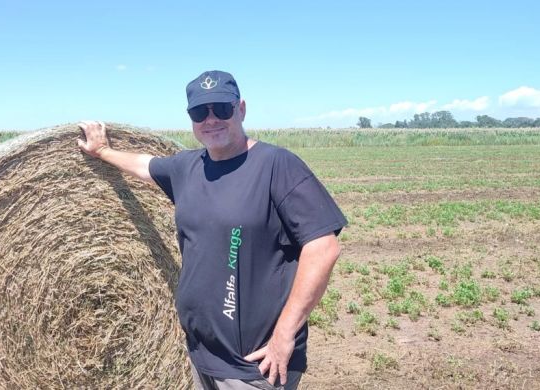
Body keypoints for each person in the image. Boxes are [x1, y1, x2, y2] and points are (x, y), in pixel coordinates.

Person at [77, 70, 347, 390]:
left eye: (222, 109)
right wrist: (103, 152)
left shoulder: (277, 165)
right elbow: (144, 165)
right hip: (202, 355)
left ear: (241, 109)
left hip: (253, 365)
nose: (211, 120)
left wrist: (284, 335)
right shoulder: (187, 167)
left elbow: (323, 248)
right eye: (199, 112)